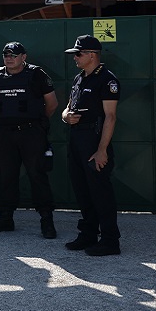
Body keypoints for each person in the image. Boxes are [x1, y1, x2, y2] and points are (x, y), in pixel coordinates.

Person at [0, 42, 59, 239]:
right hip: (5, 134)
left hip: (31, 133)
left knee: (37, 175)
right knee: (7, 176)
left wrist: (36, 122)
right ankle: (5, 218)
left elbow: (52, 104)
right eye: (6, 54)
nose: (9, 58)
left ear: (23, 57)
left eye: (14, 54)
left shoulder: (36, 74)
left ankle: (46, 220)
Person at [62, 35, 122, 256]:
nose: (75, 58)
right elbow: (67, 108)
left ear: (92, 55)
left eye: (78, 54)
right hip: (76, 138)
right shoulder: (80, 78)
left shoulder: (107, 80)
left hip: (95, 139)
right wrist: (66, 116)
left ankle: (110, 240)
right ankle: (88, 233)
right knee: (82, 189)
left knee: (100, 192)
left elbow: (111, 117)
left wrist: (102, 150)